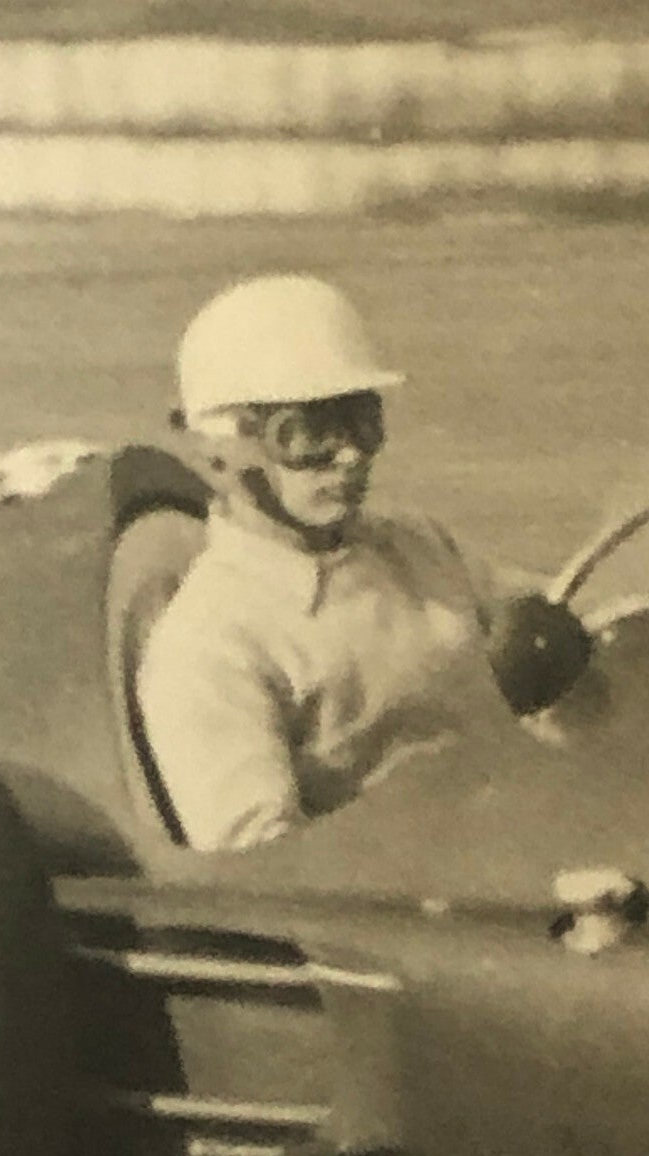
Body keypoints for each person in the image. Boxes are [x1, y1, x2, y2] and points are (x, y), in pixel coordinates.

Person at [135, 273, 501, 852]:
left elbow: (555, 619)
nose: (350, 455)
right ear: (218, 448)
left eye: (361, 420)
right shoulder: (211, 645)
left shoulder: (421, 546)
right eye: (306, 434)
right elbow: (267, 872)